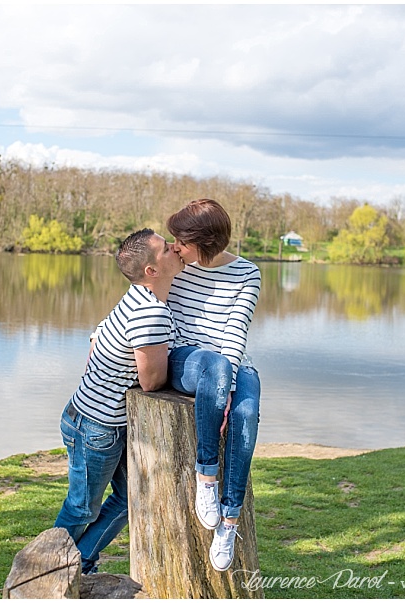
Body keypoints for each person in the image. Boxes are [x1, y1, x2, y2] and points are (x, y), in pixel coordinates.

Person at [54, 228, 184, 574]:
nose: (175, 249)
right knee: (82, 507)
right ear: (151, 272)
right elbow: (152, 381)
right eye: (166, 249)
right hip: (98, 428)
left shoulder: (138, 297)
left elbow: (103, 333)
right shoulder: (150, 314)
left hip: (86, 416)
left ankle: (80, 562)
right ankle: (51, 570)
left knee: (130, 498)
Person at [165, 199, 262, 572]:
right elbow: (142, 294)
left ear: (204, 245)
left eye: (181, 241)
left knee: (247, 411)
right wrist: (100, 332)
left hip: (230, 361)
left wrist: (228, 391)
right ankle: (206, 476)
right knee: (215, 365)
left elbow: (236, 332)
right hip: (187, 361)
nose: (174, 246)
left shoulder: (247, 273)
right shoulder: (177, 265)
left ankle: (230, 520)